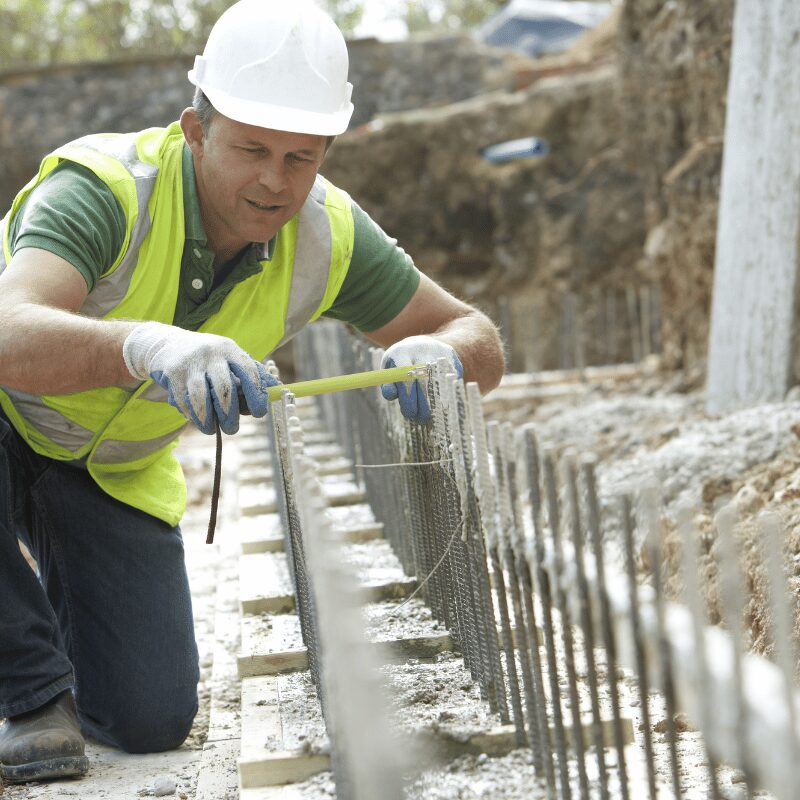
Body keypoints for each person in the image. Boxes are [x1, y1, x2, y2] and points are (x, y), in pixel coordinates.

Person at [0, 0, 504, 784]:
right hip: (6, 417)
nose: (274, 181)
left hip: (105, 470)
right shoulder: (105, 188)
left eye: (301, 158)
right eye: (252, 149)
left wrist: (437, 351)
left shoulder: (328, 233)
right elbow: (8, 336)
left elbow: (477, 334)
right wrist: (148, 343)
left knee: (150, 717)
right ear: (196, 129)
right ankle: (29, 691)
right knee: (33, 686)